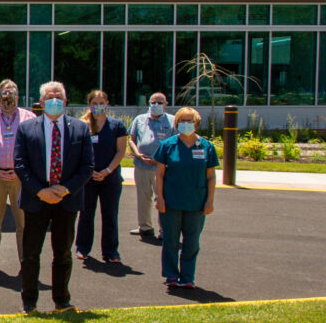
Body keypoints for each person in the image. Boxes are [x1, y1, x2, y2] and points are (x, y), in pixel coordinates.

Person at [14, 81, 93, 314]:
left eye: (59, 96)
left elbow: (87, 166)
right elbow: (20, 164)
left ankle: (62, 300)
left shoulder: (80, 128)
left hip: (66, 200)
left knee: (63, 253)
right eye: (50, 97)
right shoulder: (27, 128)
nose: (55, 100)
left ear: (66, 101)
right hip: (36, 199)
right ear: (41, 102)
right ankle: (29, 302)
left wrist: (65, 189)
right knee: (30, 254)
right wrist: (41, 191)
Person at [153, 107, 218, 289]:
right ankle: (171, 275)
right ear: (177, 123)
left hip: (196, 203)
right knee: (171, 241)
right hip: (172, 202)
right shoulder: (168, 145)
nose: (186, 124)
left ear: (196, 124)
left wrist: (210, 201)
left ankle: (188, 277)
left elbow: (211, 176)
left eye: (190, 121)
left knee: (191, 242)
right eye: (182, 121)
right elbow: (160, 173)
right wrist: (160, 198)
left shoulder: (206, 147)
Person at [0, 79, 35, 275]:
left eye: (11, 93)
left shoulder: (29, 118)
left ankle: (25, 260)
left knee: (23, 222)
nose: (7, 97)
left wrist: (22, 170)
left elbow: (35, 148)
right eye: (3, 93)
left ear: (18, 97)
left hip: (21, 177)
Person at [75, 90, 128, 263]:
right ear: (89, 104)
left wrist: (107, 170)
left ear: (107, 103)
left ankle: (110, 251)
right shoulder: (83, 125)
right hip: (87, 178)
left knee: (110, 215)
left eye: (101, 102)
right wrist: (89, 171)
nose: (98, 106)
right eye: (94, 102)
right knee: (86, 214)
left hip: (110, 178)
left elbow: (121, 151)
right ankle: (82, 247)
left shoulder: (117, 126)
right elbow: (78, 152)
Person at [128, 92, 176, 242]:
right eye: (153, 102)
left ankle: (164, 229)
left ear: (166, 104)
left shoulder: (172, 121)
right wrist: (137, 154)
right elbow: (132, 139)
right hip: (141, 165)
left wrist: (160, 159)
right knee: (143, 197)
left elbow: (175, 143)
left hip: (161, 168)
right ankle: (145, 226)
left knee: (162, 198)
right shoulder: (140, 119)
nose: (156, 105)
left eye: (160, 102)